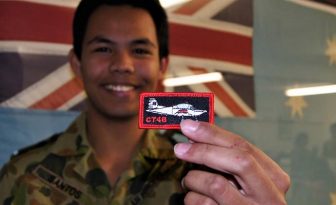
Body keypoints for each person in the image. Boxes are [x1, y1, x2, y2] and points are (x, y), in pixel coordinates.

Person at [0, 0, 290, 204]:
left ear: (162, 66)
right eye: (103, 48)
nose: (123, 64)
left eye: (140, 50)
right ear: (77, 64)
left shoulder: (204, 178)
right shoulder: (23, 174)